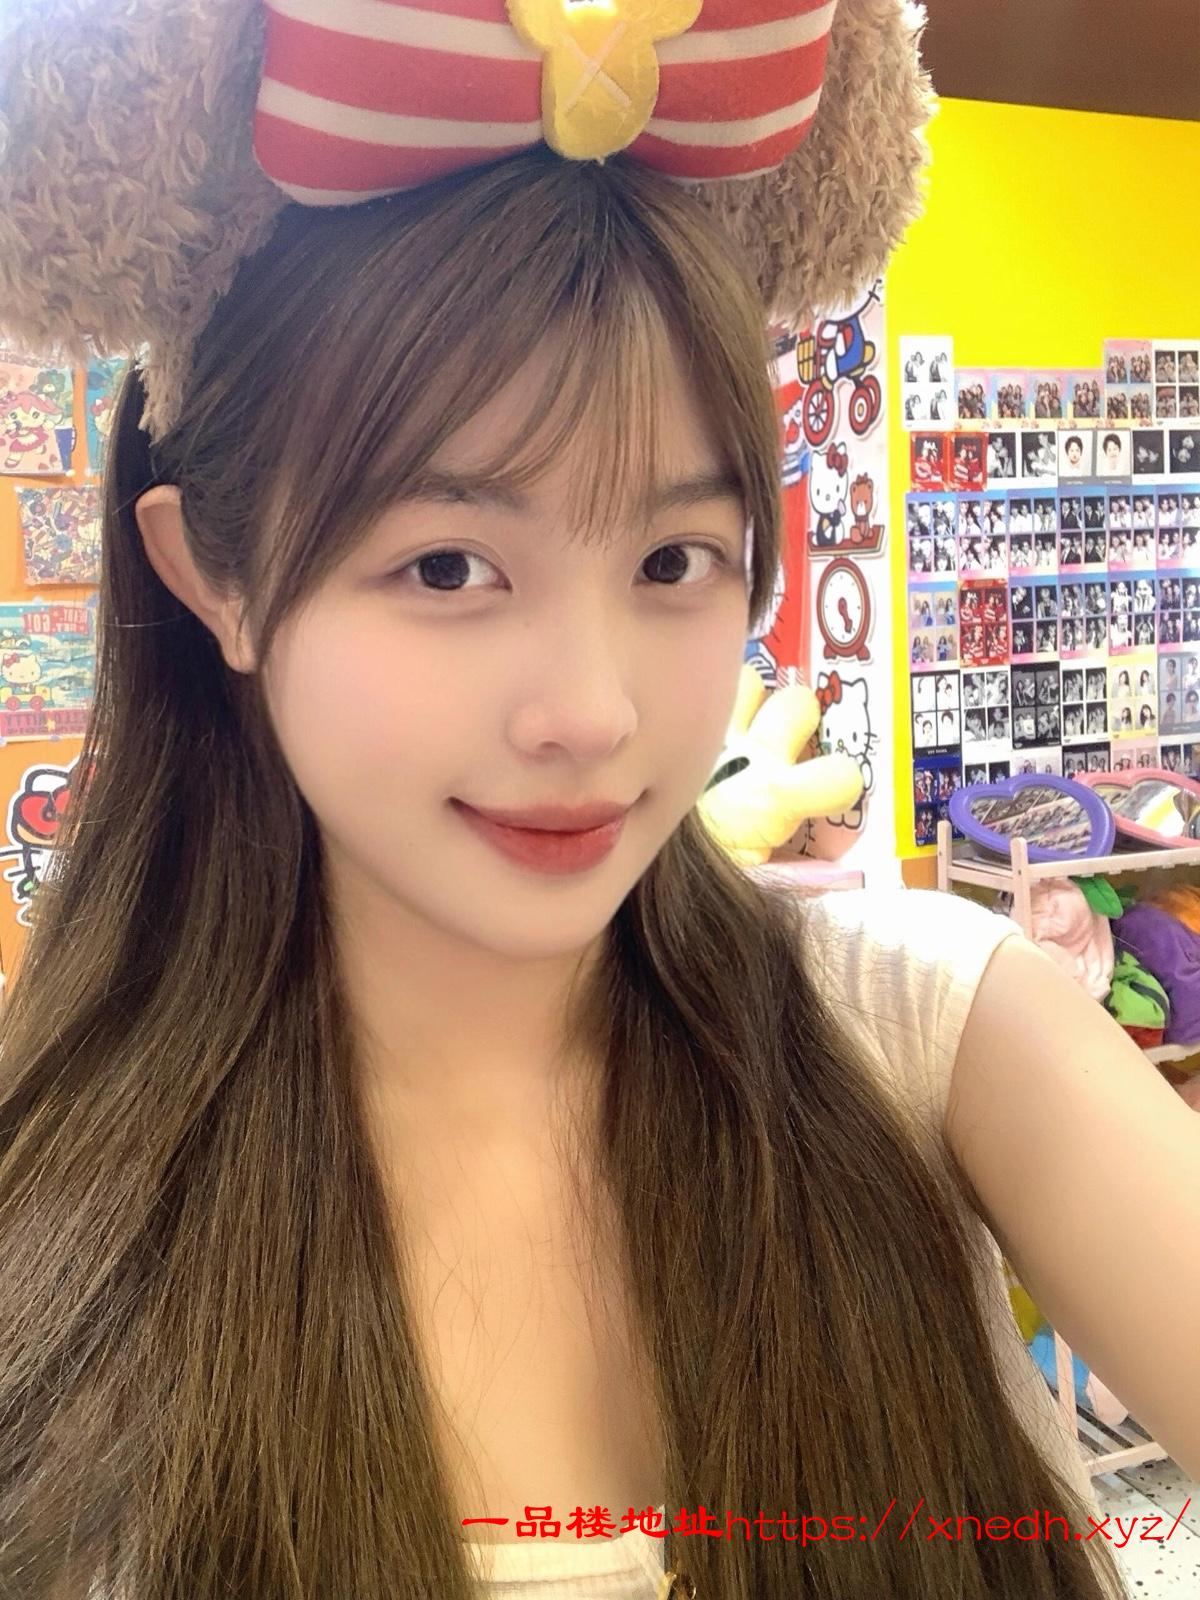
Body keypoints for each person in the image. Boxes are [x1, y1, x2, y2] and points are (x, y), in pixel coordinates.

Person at [0, 6, 1184, 1600]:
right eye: (448, 567)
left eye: (673, 560)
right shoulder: (53, 1210)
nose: (594, 711)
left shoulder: (938, 1044)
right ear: (215, 576)